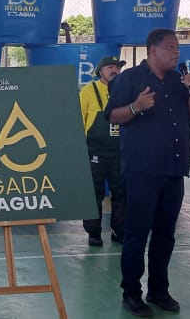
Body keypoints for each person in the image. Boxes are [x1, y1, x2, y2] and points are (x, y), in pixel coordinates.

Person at [104, 28, 190, 317]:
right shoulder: (129, 79)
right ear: (153, 50)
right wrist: (136, 106)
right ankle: (131, 293)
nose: (176, 52)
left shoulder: (179, 81)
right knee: (136, 235)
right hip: (142, 172)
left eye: (178, 48)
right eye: (171, 47)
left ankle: (159, 290)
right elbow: (111, 115)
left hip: (173, 170)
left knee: (165, 235)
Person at [79, 55, 127, 247]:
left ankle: (119, 231)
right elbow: (79, 119)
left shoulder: (125, 90)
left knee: (122, 193)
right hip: (95, 152)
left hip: (121, 152)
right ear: (100, 71)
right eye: (110, 67)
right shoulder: (89, 91)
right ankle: (93, 232)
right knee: (94, 193)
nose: (115, 70)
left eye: (117, 67)